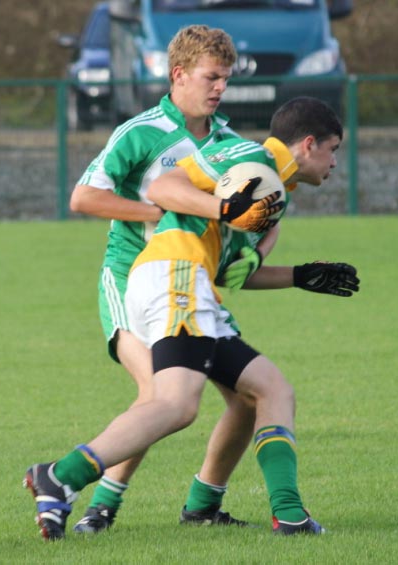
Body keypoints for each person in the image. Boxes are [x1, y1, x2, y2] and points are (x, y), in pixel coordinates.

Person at [24, 96, 360, 540]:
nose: (336, 162)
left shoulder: (274, 191)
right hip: (174, 276)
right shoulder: (249, 154)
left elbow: (229, 272)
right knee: (175, 404)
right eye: (334, 149)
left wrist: (299, 276)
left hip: (191, 282)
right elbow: (164, 188)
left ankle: (290, 515)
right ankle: (60, 476)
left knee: (271, 391)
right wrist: (227, 209)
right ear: (310, 144)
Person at [68, 24, 280, 534]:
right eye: (211, 77)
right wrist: (157, 211)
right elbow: (83, 198)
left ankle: (203, 505)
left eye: (225, 79)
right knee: (158, 396)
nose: (219, 88)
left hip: (189, 283)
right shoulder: (140, 132)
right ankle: (95, 508)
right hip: (130, 279)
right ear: (178, 75)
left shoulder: (228, 142)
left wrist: (262, 230)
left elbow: (242, 224)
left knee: (250, 397)